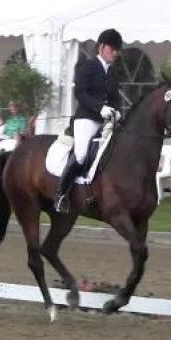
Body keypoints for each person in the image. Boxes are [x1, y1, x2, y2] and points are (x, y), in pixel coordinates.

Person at [53, 28, 123, 213]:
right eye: (112, 49)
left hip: (106, 121)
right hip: (87, 118)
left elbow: (116, 98)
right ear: (101, 48)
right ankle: (61, 194)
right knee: (82, 154)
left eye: (117, 50)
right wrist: (100, 107)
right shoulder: (88, 66)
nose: (115, 53)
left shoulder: (113, 73)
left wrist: (118, 112)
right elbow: (81, 93)